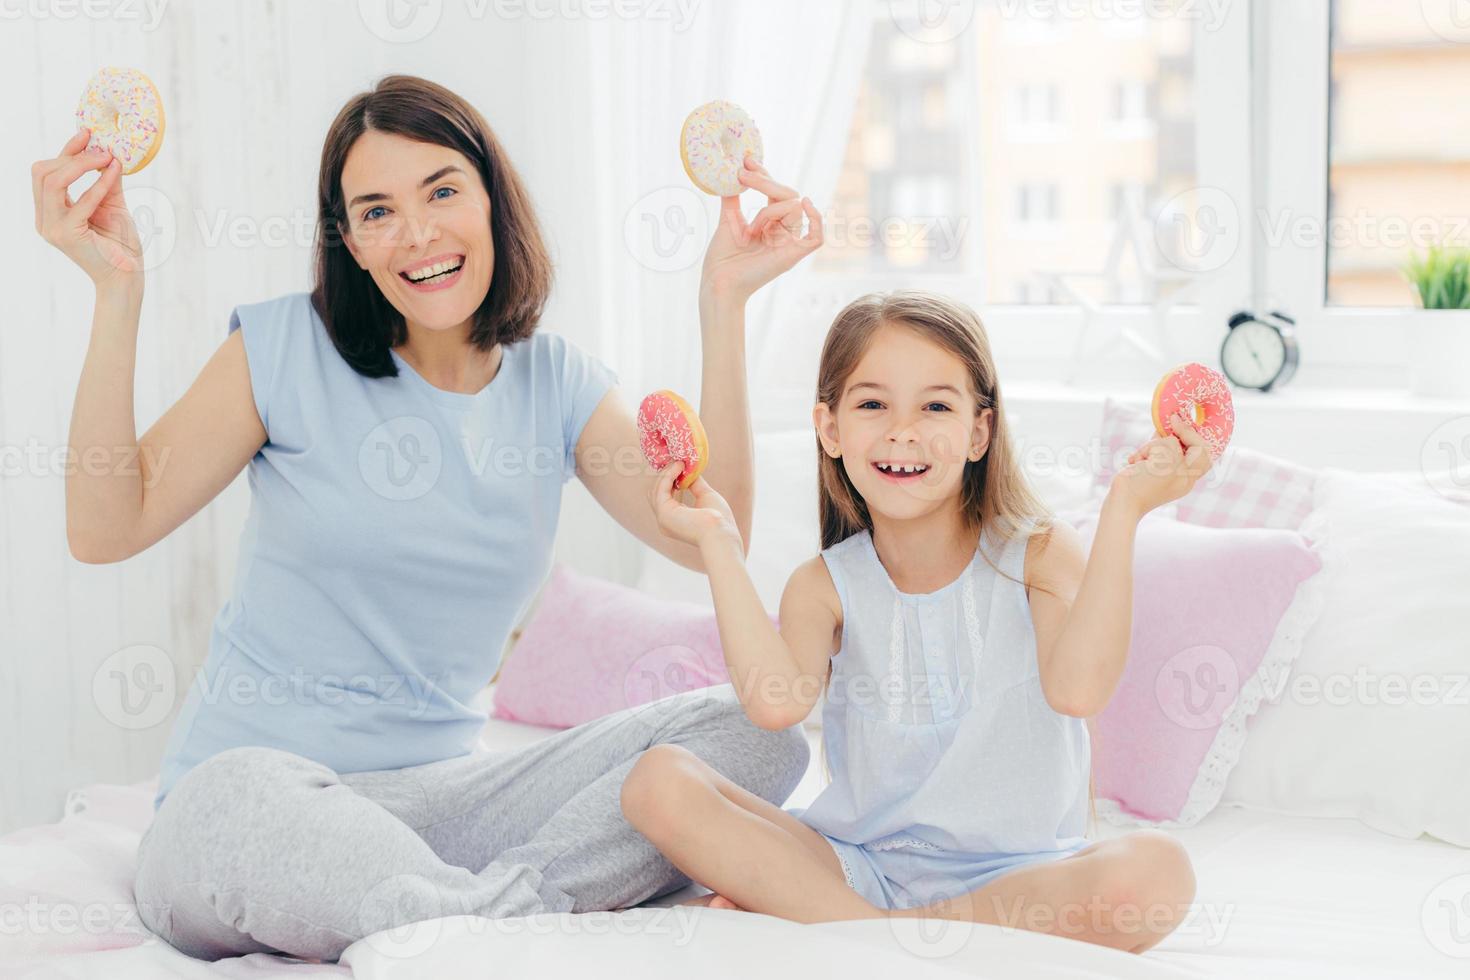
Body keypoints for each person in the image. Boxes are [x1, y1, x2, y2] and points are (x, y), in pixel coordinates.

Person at [30, 73, 824, 962]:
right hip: (258, 805)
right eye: (376, 211)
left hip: (446, 808)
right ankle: (508, 915)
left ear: (493, 198)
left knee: (756, 734)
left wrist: (724, 304)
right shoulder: (283, 348)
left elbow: (715, 530)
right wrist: (116, 295)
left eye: (442, 190)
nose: (417, 233)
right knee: (232, 797)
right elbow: (105, 529)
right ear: (351, 244)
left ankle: (477, 916)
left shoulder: (554, 382)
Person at [624, 290, 1207, 954]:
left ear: (979, 432)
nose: (903, 429)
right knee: (658, 780)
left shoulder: (1037, 552)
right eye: (873, 404)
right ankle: (875, 930)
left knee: (1157, 874)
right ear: (830, 428)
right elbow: (775, 704)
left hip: (1019, 878)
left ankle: (857, 933)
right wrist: (718, 545)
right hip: (862, 866)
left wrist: (1125, 512)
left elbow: (1078, 692)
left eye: (935, 405)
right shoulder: (824, 585)